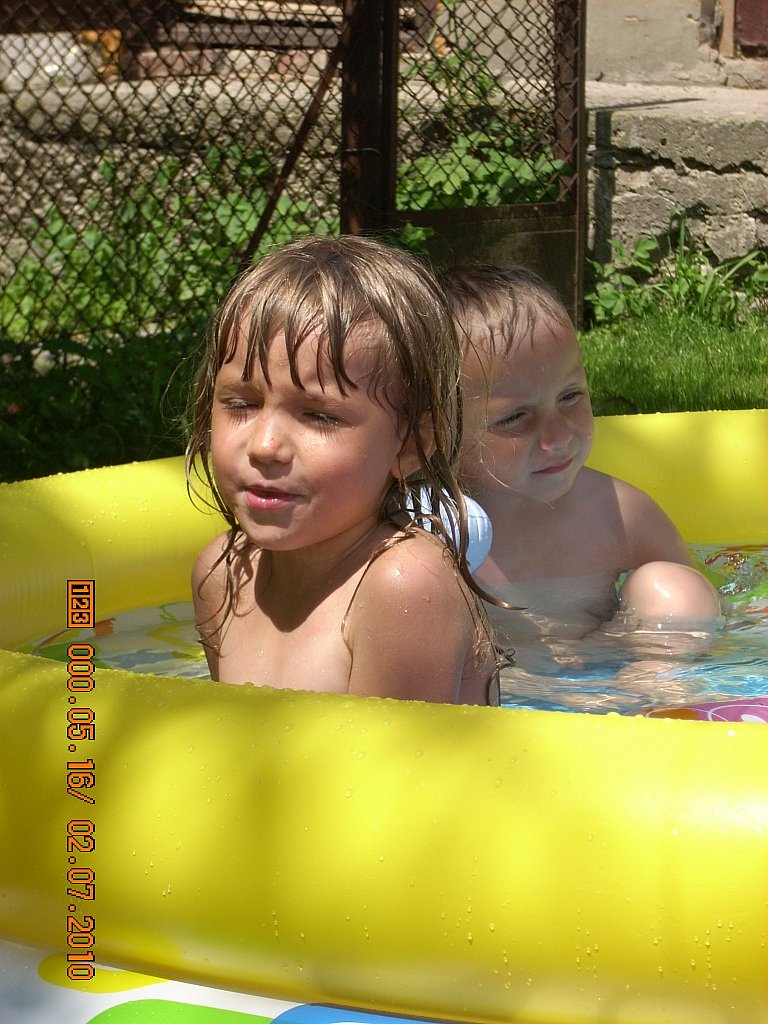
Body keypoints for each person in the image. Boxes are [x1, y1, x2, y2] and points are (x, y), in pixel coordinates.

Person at [185, 236, 499, 705]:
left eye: (319, 415)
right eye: (241, 404)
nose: (265, 446)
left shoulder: (403, 589)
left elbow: (388, 756)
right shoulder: (222, 575)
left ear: (409, 444)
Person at [441, 264, 723, 662]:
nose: (559, 437)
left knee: (675, 586)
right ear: (438, 428)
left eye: (570, 396)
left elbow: (704, 608)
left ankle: (661, 693)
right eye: (514, 417)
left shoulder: (620, 515)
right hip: (495, 686)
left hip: (617, 675)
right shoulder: (430, 530)